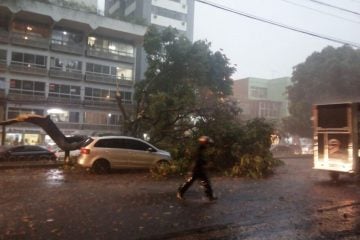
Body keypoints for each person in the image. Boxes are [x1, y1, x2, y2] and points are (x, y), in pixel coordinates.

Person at [177, 136, 217, 201]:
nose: (208, 145)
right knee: (190, 182)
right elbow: (198, 159)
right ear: (204, 142)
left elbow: (201, 159)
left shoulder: (203, 149)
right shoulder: (199, 149)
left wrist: (205, 163)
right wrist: (205, 164)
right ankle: (180, 192)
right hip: (196, 169)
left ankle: (210, 196)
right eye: (207, 143)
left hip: (200, 169)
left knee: (206, 182)